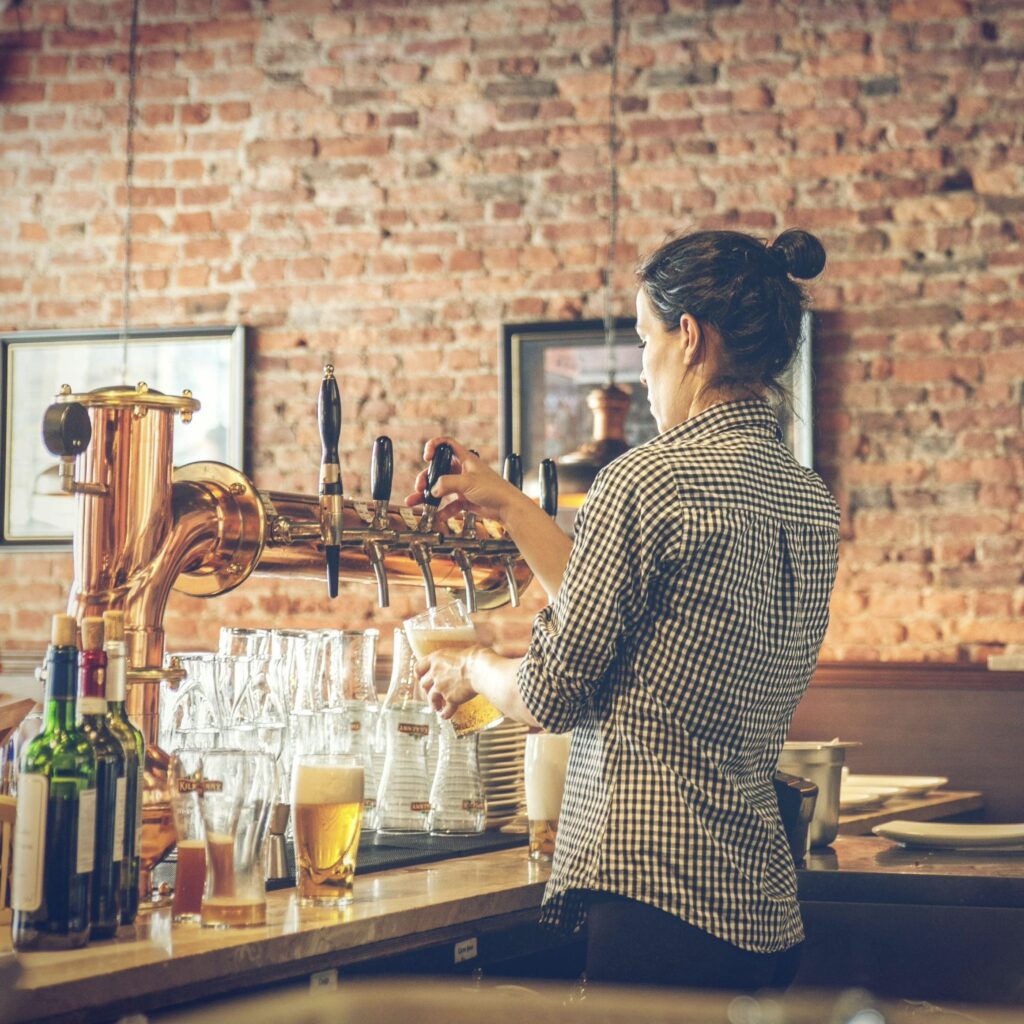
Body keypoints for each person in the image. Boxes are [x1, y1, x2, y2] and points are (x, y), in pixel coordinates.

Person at [406, 229, 840, 992]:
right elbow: (622, 608)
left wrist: (474, 663)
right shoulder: (809, 499)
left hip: (659, 902)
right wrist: (508, 505)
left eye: (644, 339)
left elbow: (549, 694)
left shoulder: (646, 480)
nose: (642, 369)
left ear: (690, 338)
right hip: (763, 904)